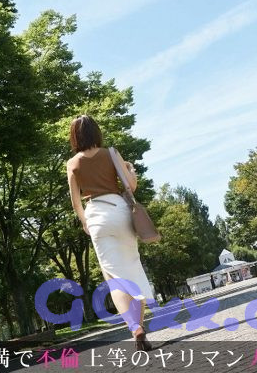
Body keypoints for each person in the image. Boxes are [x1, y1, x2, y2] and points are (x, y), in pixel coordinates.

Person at [66, 115, 153, 351]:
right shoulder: (111, 153)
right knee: (132, 269)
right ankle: (140, 326)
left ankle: (134, 328)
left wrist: (86, 223)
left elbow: (75, 203)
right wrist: (131, 170)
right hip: (119, 210)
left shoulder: (72, 163)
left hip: (95, 215)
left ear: (74, 137)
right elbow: (130, 186)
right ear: (96, 132)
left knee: (113, 279)